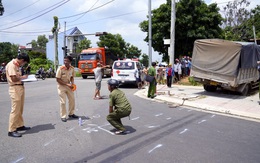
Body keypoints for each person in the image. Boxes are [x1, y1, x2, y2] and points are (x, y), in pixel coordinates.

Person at [5, 53, 31, 138]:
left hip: (20, 87)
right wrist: (24, 77)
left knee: (20, 109)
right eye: (24, 63)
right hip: (15, 89)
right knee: (15, 110)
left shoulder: (17, 65)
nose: (23, 64)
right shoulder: (12, 65)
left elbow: (17, 76)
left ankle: (19, 125)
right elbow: (13, 78)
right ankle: (11, 130)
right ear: (22, 60)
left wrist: (23, 78)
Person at [56, 56, 78, 122]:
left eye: (67, 61)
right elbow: (58, 79)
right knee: (63, 102)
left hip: (69, 86)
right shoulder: (60, 68)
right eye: (64, 60)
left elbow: (72, 77)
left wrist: (72, 83)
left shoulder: (72, 68)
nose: (65, 62)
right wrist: (67, 84)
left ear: (70, 62)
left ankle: (71, 113)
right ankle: (63, 116)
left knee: (72, 100)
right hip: (61, 86)